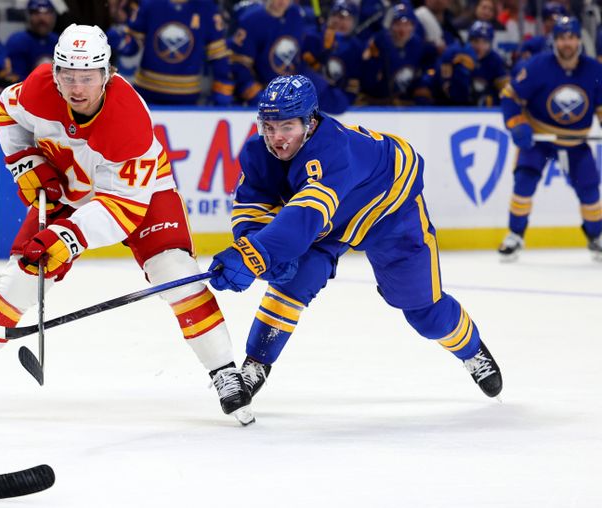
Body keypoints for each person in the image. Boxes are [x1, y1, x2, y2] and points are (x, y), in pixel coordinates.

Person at [0, 24, 254, 425]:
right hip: (68, 189)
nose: (76, 88)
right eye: (68, 76)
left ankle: (224, 371)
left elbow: (122, 210)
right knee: (22, 276)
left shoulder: (128, 121)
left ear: (107, 74)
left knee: (177, 273)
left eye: (87, 78)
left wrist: (68, 236)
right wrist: (25, 162)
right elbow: (6, 111)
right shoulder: (38, 90)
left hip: (142, 195)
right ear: (56, 72)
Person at [206, 74, 504, 403]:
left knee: (424, 312)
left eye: (287, 126)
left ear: (310, 122)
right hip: (331, 219)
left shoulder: (332, 150)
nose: (276, 138)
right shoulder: (257, 153)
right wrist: (251, 243)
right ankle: (256, 366)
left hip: (388, 209)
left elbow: (304, 216)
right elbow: (251, 207)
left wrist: (252, 255)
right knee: (292, 280)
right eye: (269, 126)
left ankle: (471, 349)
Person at [498, 16, 602, 262]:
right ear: (555, 41)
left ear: (578, 40)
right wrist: (517, 124)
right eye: (562, 38)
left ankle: (596, 236)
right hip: (539, 137)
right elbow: (509, 97)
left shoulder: (595, 70)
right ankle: (515, 235)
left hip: (575, 141)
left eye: (571, 37)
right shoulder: (536, 66)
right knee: (524, 182)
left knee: (589, 191)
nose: (567, 43)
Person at [115, 0, 234, 106]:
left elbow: (218, 53)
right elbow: (135, 43)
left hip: (187, 96)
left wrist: (223, 88)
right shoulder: (150, 4)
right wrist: (122, 43)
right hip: (146, 93)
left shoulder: (206, 7)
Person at [5, 0, 58, 80]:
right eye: (36, 13)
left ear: (53, 16)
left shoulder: (59, 41)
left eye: (47, 13)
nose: (42, 18)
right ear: (28, 16)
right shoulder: (17, 41)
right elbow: (16, 78)